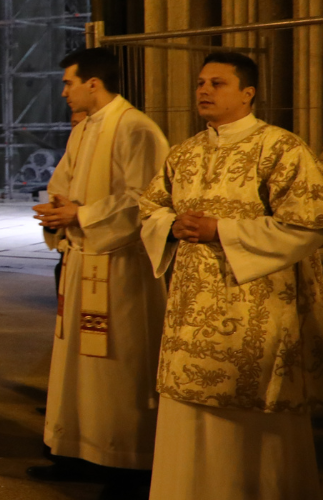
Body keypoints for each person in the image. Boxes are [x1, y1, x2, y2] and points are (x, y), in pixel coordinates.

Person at [138, 52, 323, 500]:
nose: (203, 91)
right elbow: (149, 208)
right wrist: (170, 225)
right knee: (187, 418)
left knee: (256, 418)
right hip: (189, 314)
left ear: (248, 93)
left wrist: (221, 229)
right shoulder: (184, 152)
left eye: (217, 83)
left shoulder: (281, 148)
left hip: (255, 314)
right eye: (201, 83)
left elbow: (308, 223)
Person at [22, 47, 169, 498]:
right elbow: (64, 181)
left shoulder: (136, 127)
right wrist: (56, 209)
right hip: (82, 261)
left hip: (120, 268)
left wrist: (81, 216)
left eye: (68, 82)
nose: (63, 91)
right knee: (76, 368)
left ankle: (125, 462)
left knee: (118, 368)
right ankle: (75, 450)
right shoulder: (84, 128)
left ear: (93, 83)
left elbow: (143, 198)